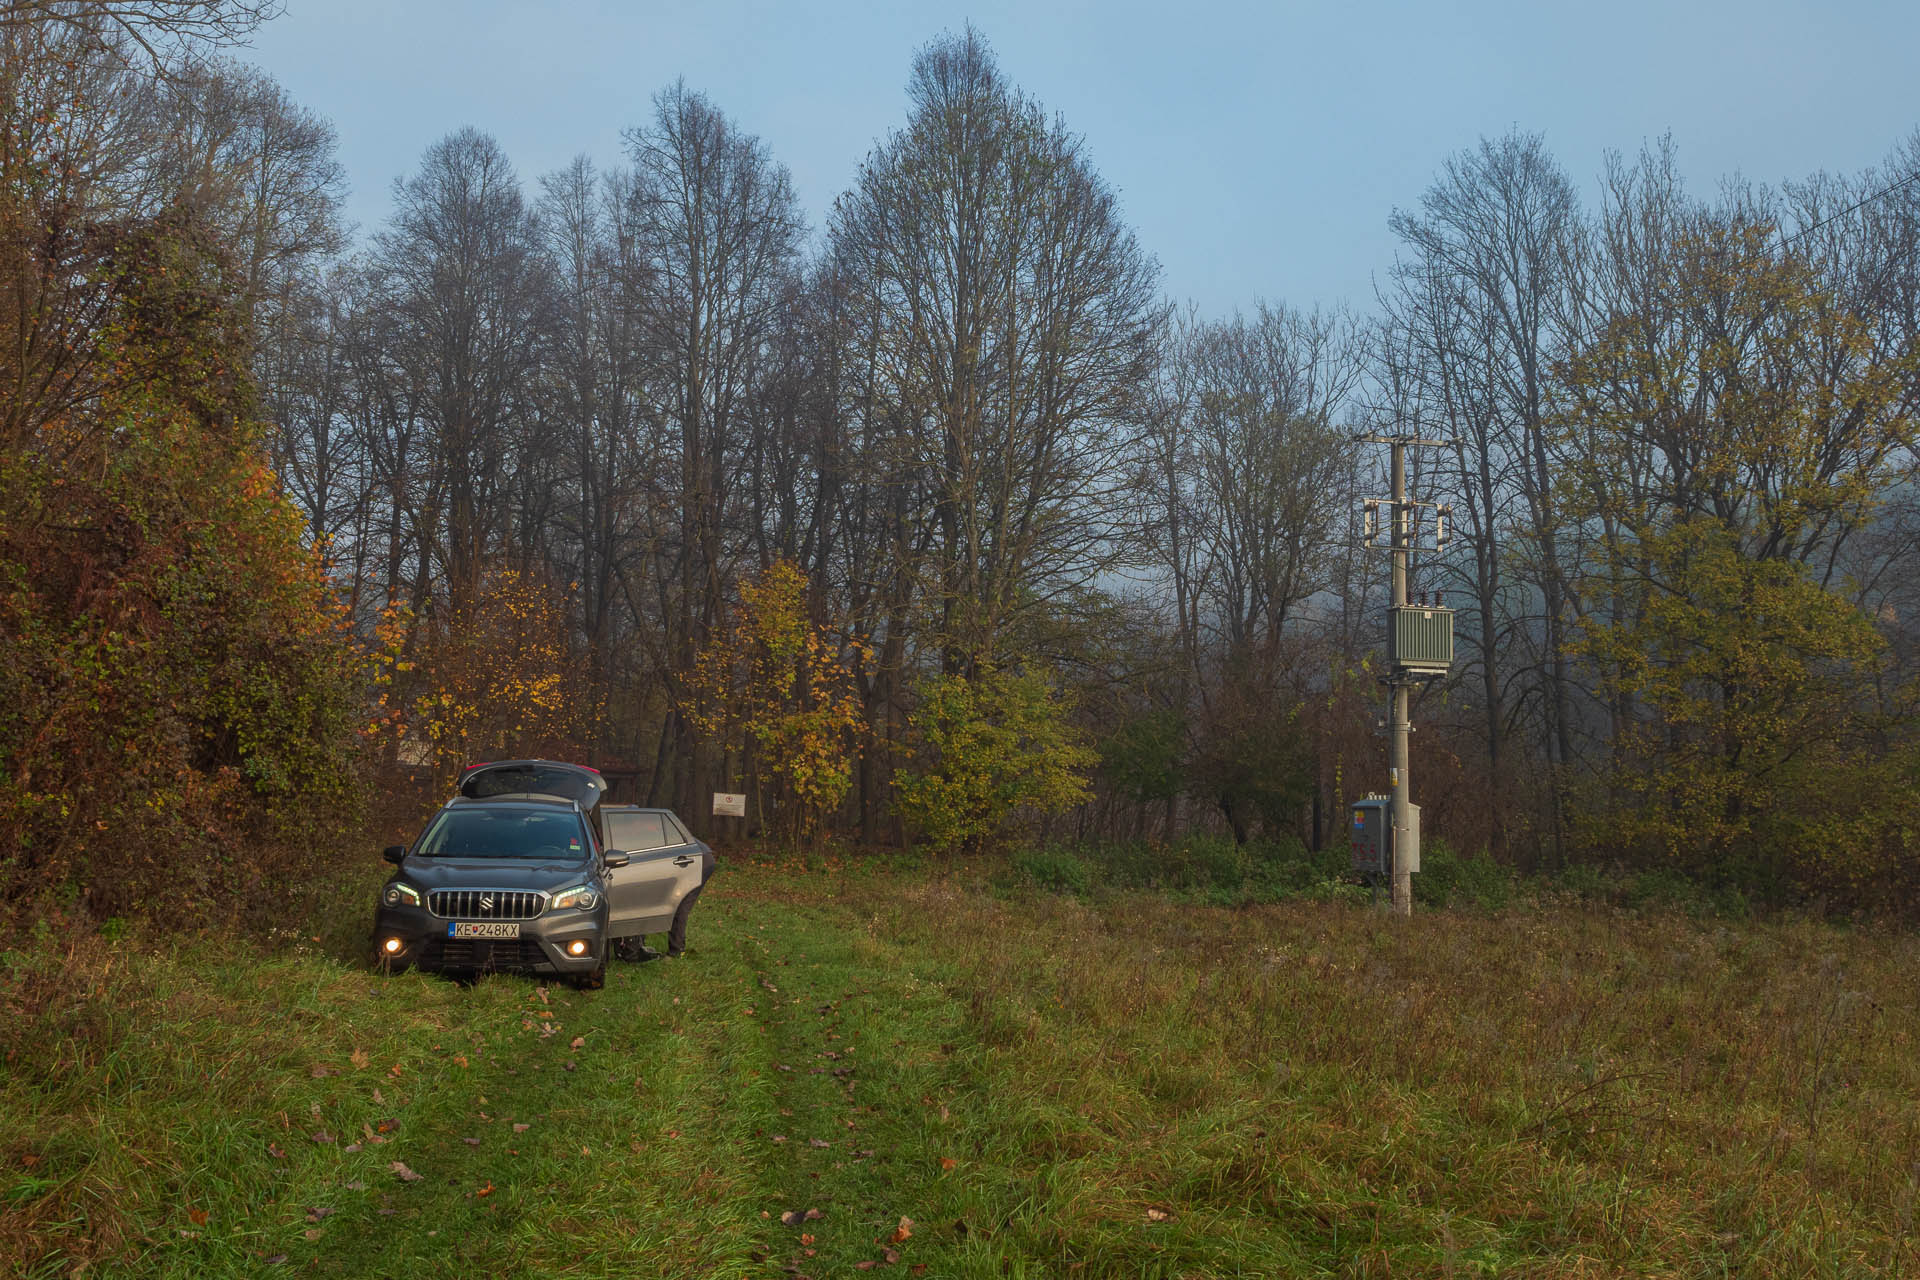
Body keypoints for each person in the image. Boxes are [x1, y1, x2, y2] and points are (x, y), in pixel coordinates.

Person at [663, 842, 716, 957]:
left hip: (698, 860)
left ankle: (676, 951)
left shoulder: (653, 827)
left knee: (680, 904)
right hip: (694, 856)